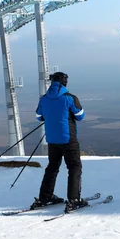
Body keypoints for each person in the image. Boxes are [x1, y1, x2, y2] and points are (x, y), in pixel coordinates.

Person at [31, 72, 88, 212]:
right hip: (68, 139)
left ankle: (45, 197)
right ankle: (74, 200)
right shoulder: (70, 98)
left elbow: (39, 116)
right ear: (65, 82)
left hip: (51, 139)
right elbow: (80, 116)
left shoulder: (44, 99)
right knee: (74, 167)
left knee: (52, 168)